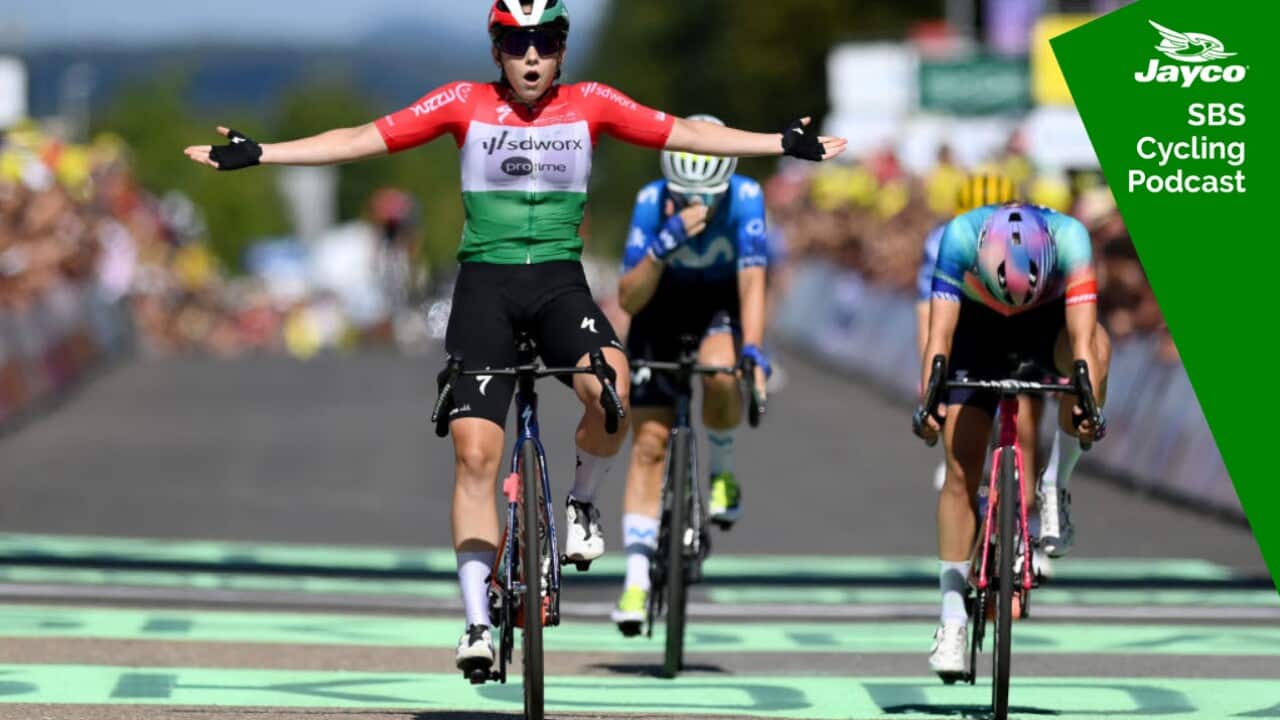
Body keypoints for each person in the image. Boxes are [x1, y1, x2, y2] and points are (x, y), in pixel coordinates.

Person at [184, 0, 846, 678]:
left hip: (558, 284)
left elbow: (684, 133)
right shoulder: (462, 103)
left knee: (614, 389)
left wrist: (778, 144)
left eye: (547, 42)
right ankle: (475, 619)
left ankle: (583, 501)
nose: (532, 56)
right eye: (516, 43)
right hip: (486, 290)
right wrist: (261, 154)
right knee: (476, 453)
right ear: (496, 50)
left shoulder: (591, 103)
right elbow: (361, 138)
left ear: (561, 49)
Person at [916, 202, 1109, 679]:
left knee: (1098, 348)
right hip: (977, 330)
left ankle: (1054, 487)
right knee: (959, 471)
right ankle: (952, 620)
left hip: (1047, 327)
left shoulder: (1071, 238)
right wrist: (928, 403)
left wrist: (1086, 406)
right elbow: (939, 336)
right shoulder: (960, 236)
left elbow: (1082, 344)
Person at [610, 115, 770, 635]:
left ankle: (721, 470)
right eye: (684, 194)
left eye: (708, 196)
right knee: (649, 444)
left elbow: (752, 281)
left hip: (717, 304)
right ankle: (635, 577)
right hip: (660, 305)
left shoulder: (746, 197)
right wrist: (662, 245)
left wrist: (753, 348)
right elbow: (629, 297)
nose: (696, 205)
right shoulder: (651, 202)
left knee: (722, 373)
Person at [916, 173, 1018, 493]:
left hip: (1019, 324)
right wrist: (931, 387)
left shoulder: (1031, 239)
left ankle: (1033, 500)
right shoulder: (941, 242)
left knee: (1026, 421)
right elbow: (930, 318)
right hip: (964, 323)